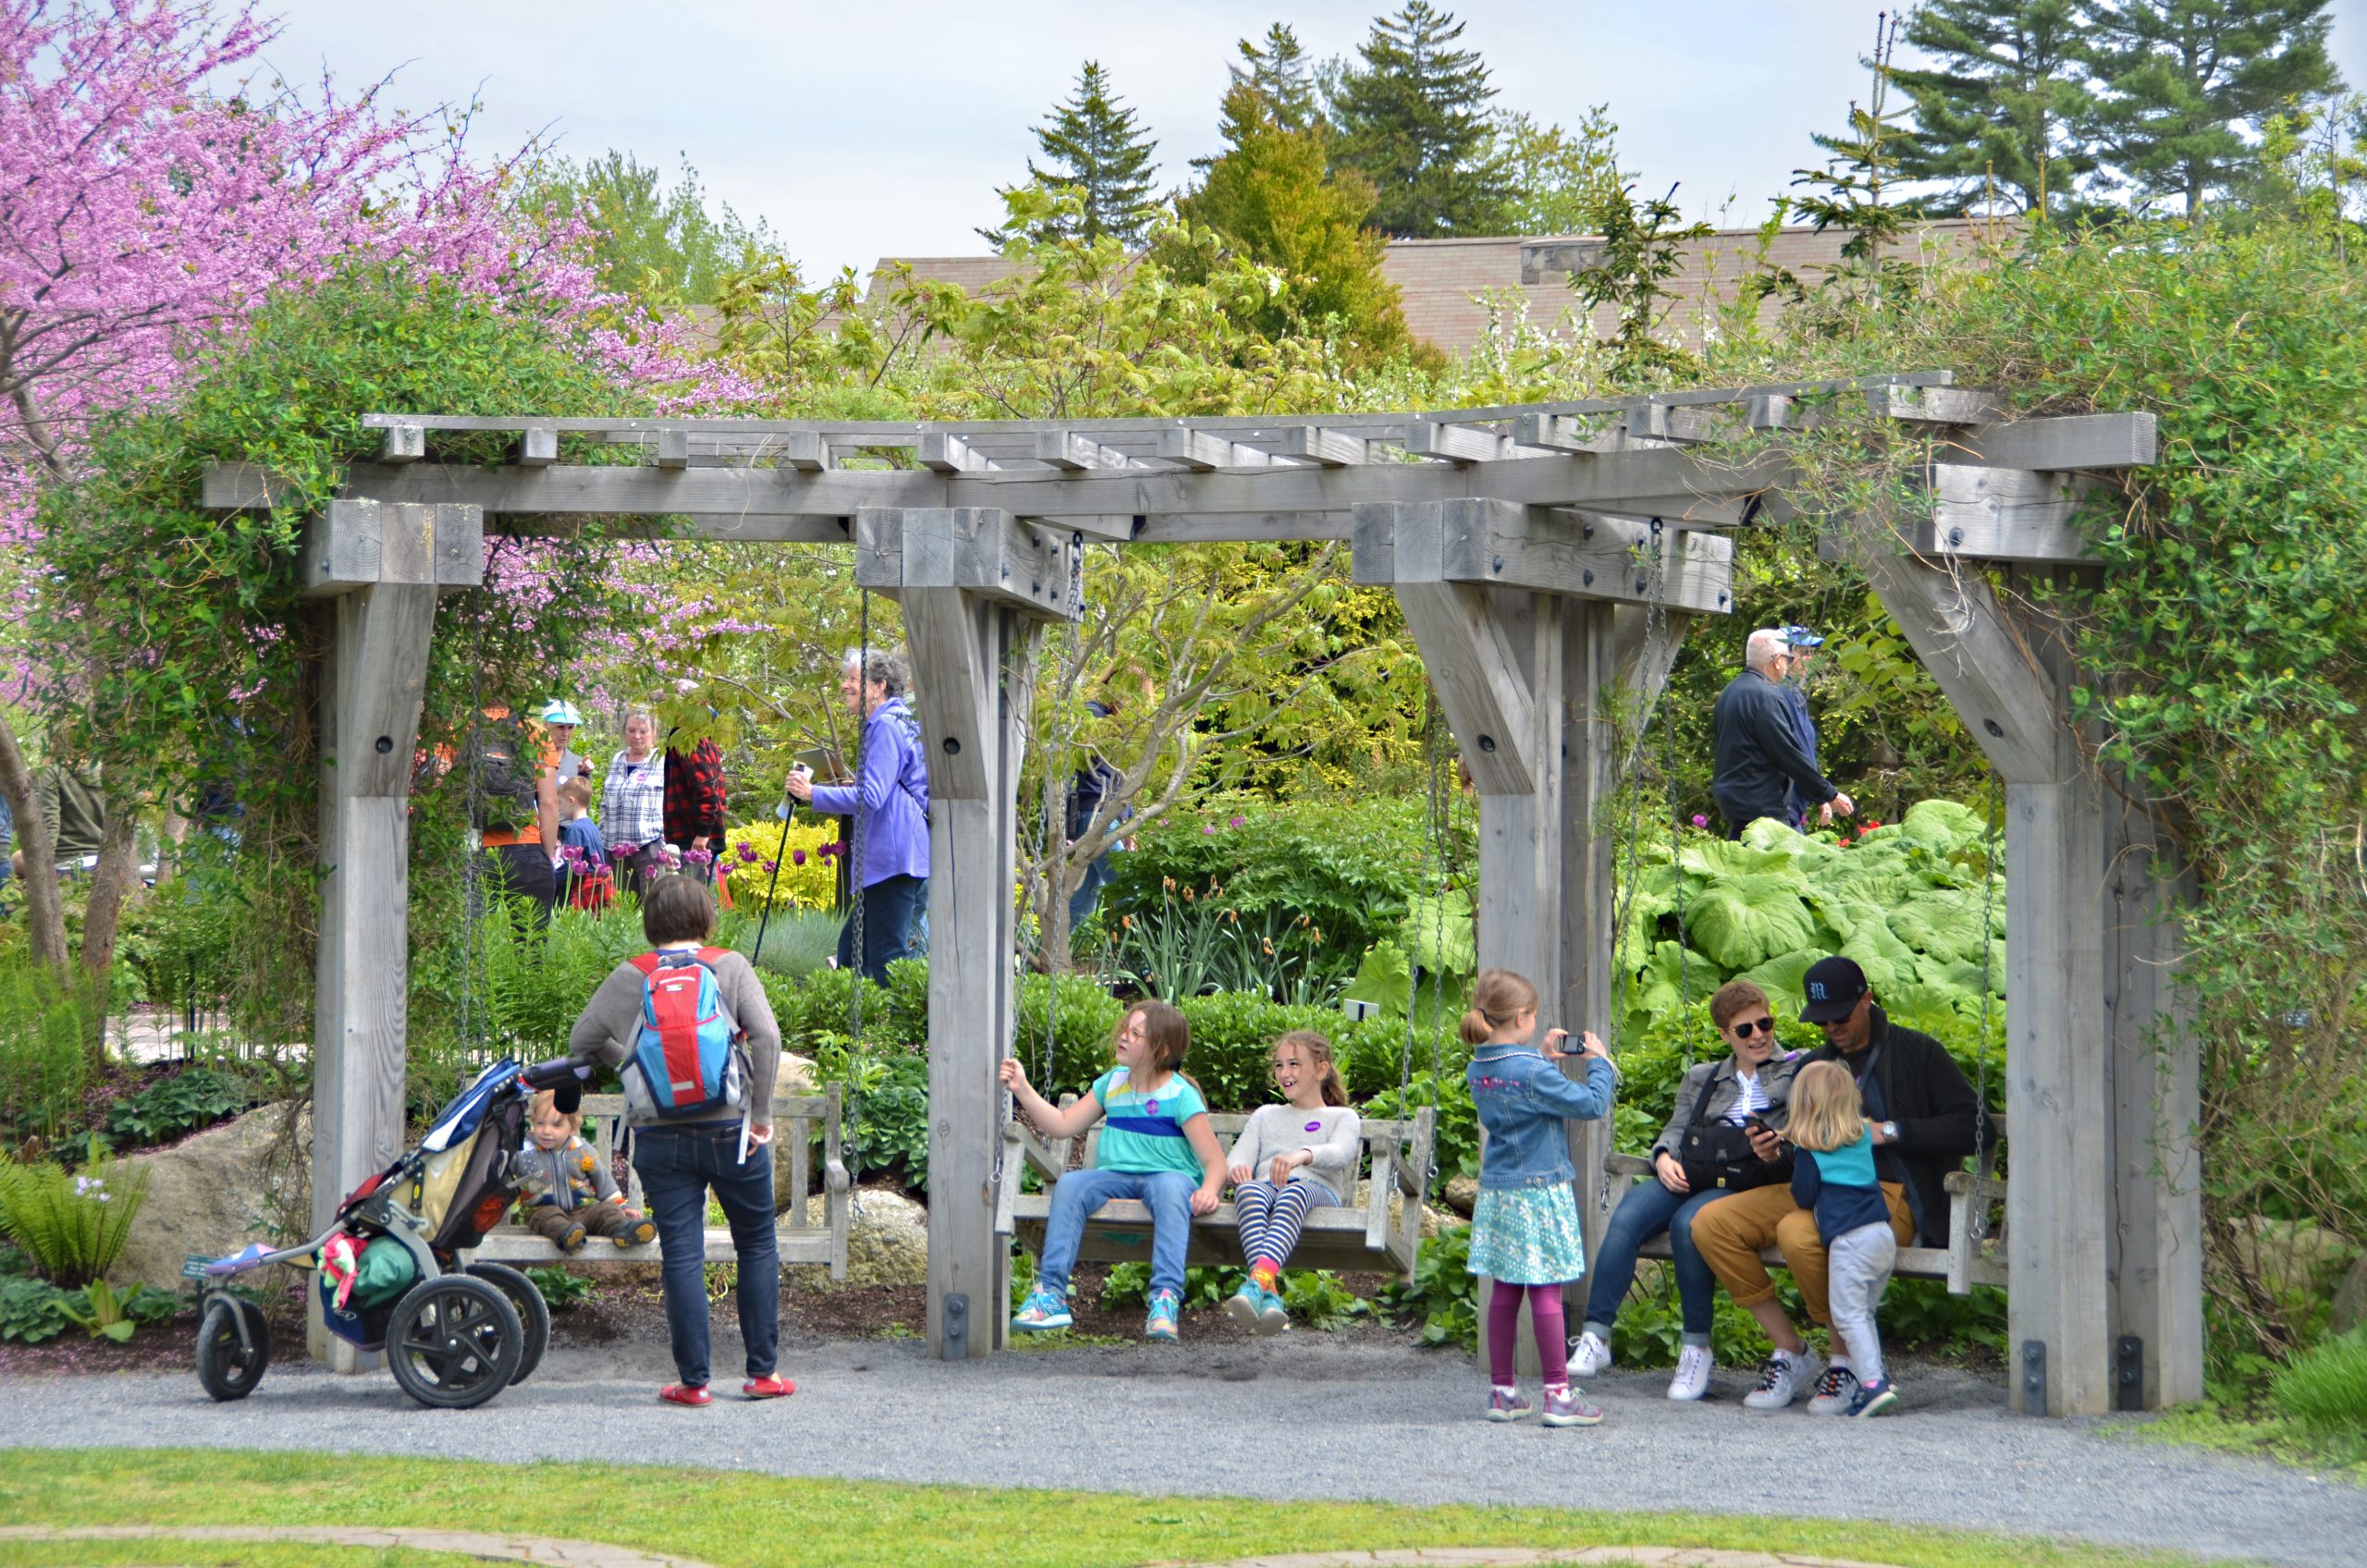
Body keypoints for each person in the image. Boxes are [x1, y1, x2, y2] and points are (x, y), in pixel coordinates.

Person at [1690, 955, 1981, 1414]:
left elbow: (1971, 1125)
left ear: (1867, 1000)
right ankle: (1792, 1351)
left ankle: (1845, 1361)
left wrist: (1892, 1130)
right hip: (1820, 1186)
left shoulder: (1917, 1053)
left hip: (1889, 1194)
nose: (1831, 1028)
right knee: (1712, 1223)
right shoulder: (1818, 1063)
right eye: (1821, 1020)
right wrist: (1774, 1152)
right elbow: (1800, 1156)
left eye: (1840, 1016)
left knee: (1799, 1232)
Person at [566, 875, 791, 1405]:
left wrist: (636, 1065)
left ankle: (694, 1383)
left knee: (683, 1255)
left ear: (649, 923)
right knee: (756, 1243)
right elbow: (769, 1038)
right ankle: (763, 1375)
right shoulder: (729, 966)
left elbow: (582, 1040)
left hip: (660, 1137)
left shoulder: (630, 976)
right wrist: (760, 1114)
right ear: (706, 917)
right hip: (732, 1131)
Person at [1571, 979, 1799, 1402]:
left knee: (1688, 1225)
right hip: (1694, 1172)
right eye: (1745, 1029)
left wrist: (1776, 1148)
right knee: (1628, 1216)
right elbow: (1677, 1128)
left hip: (1747, 1184)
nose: (1759, 1035)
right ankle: (1596, 1337)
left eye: (1764, 1023)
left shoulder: (1795, 1072)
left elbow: (1803, 1138)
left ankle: (1696, 1348)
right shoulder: (1703, 1077)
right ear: (1724, 1035)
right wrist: (1662, 1157)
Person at [1000, 1001, 1226, 1342]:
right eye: (1126, 1028)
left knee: (1168, 1189)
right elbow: (1063, 1125)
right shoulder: (1112, 1084)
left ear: (1161, 1050)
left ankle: (1165, 1300)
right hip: (1116, 1177)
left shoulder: (1181, 1095)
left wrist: (1209, 1188)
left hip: (1168, 1177)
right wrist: (1023, 1088)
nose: (1123, 1036)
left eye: (1135, 1034)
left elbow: (1215, 1162)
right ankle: (1051, 1295)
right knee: (1072, 1184)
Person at [1464, 967, 1615, 1428]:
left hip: (1499, 1193)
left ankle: (1504, 1392)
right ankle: (1558, 1394)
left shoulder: (1479, 1066)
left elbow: (1524, 1098)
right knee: (1547, 1292)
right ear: (1524, 1017)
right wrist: (1600, 1064)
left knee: (1505, 1294)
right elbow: (1590, 1104)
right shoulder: (1529, 1070)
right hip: (1541, 1193)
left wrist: (1545, 1059)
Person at [783, 647, 930, 985]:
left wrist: (812, 794)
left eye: (853, 679)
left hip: (893, 859)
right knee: (851, 953)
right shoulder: (889, 721)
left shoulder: (887, 726)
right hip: (890, 858)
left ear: (879, 686)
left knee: (885, 957)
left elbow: (873, 797)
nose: (844, 686)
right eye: (846, 678)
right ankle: (852, 1027)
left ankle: (892, 1032)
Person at [1220, 1030, 1362, 1334]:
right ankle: (1269, 1296)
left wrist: (1302, 1155)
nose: (1284, 1073)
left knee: (1293, 1194)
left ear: (1321, 1070)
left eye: (1294, 1064)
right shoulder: (1266, 1115)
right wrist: (1239, 1170)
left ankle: (1256, 1282)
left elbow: (1341, 1152)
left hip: (1316, 1191)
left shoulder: (1341, 1116)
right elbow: (1238, 1157)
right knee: (1248, 1191)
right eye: (1279, 1065)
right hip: (1266, 1189)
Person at [1784, 1060, 1902, 1417]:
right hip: (1883, 1236)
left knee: (1848, 1317)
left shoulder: (1810, 1152)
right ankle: (1876, 1375)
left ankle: (1872, 1387)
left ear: (1803, 1104)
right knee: (1863, 1314)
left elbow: (1803, 1197)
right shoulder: (1861, 1135)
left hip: (1850, 1242)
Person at [1711, 629, 1853, 839]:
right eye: (1788, 658)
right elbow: (1788, 753)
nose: (1788, 663)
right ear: (1777, 660)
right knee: (1784, 867)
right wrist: (1828, 794)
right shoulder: (1767, 696)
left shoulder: (1731, 691)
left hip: (1737, 802)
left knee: (1743, 866)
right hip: (1763, 808)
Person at [514, 1088, 656, 1253]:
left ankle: (624, 1230)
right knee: (548, 1217)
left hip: (584, 1212)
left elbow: (604, 1182)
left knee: (607, 1211)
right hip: (544, 1211)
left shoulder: (582, 1150)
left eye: (556, 1125)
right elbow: (503, 1176)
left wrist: (623, 1208)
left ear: (573, 1128)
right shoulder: (524, 1152)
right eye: (540, 1123)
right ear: (533, 1122)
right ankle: (567, 1237)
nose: (546, 1131)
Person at [469, 706, 561, 926]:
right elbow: (549, 802)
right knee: (529, 943)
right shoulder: (536, 733)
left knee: (471, 941)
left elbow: (441, 790)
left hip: (474, 848)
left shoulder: (462, 730)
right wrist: (545, 858)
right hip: (525, 847)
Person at [599, 709, 668, 894]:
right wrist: (602, 829)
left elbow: (671, 803)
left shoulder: (663, 761)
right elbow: (605, 801)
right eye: (631, 731)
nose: (637, 736)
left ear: (654, 731)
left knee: (653, 906)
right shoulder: (617, 759)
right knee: (624, 910)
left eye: (643, 731)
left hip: (649, 847)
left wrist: (662, 843)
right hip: (616, 850)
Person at [1776, 625, 1828, 830]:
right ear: (1786, 655)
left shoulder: (1791, 689)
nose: (1811, 658)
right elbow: (1797, 749)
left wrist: (1821, 795)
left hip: (1792, 804)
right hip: (1784, 804)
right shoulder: (1784, 692)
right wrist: (1823, 793)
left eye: (1812, 653)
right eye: (1805, 652)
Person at [662, 730, 729, 886]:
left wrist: (703, 832)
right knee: (700, 899)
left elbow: (706, 788)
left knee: (691, 901)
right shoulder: (703, 736)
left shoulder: (688, 738)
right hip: (693, 835)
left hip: (693, 838)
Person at [554, 777, 611, 910]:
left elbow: (572, 866)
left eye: (560, 803)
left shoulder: (574, 829)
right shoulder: (592, 825)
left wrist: (552, 877)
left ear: (571, 801)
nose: (560, 808)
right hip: (601, 883)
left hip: (585, 886)